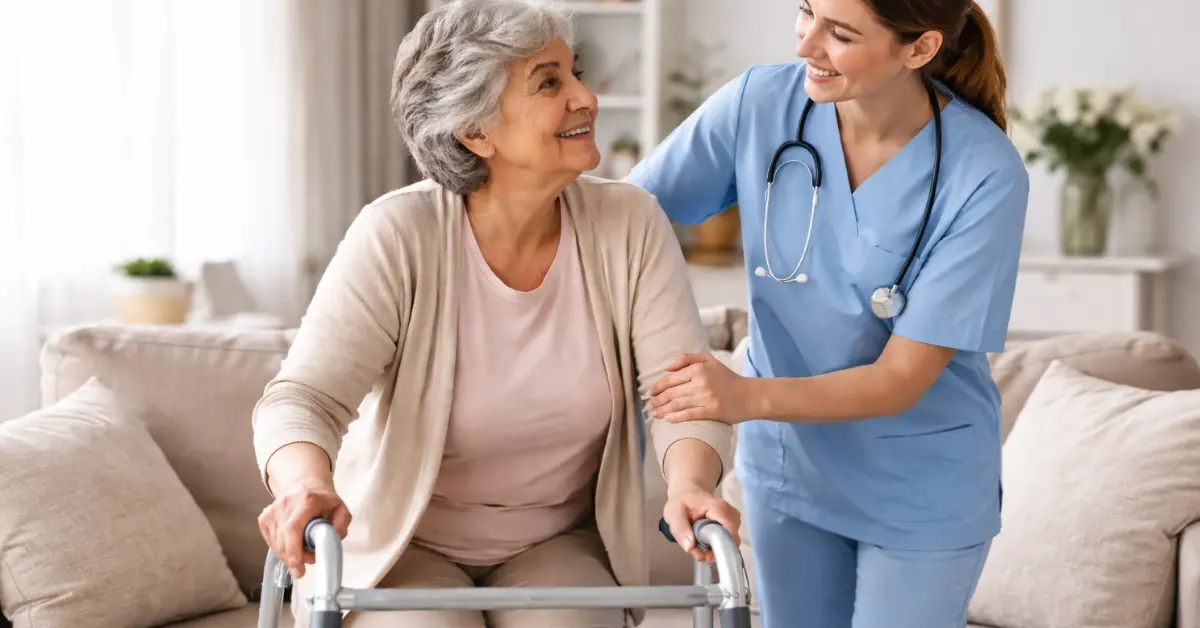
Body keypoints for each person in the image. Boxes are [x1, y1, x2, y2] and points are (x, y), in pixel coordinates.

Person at [252, 1, 739, 627]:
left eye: (575, 72)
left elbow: (682, 392)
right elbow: (303, 398)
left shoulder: (631, 224)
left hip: (556, 544)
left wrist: (690, 485)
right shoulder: (398, 235)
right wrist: (302, 486)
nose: (586, 98)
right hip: (404, 546)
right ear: (475, 131)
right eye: (550, 82)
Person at [629, 0, 1029, 626]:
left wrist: (741, 397)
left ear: (919, 49)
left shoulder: (982, 173)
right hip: (788, 471)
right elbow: (626, 219)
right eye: (806, 12)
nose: (806, 45)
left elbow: (901, 378)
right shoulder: (761, 103)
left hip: (919, 486)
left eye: (839, 33)